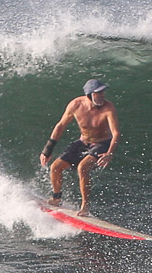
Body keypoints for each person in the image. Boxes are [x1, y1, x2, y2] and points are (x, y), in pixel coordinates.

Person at [40, 79, 120, 217]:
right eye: (97, 93)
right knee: (55, 167)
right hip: (83, 142)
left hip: (102, 144)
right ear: (89, 94)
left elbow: (116, 133)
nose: (102, 96)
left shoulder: (108, 107)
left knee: (82, 167)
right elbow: (60, 126)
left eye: (102, 92)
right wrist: (48, 150)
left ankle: (85, 206)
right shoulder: (76, 105)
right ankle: (56, 198)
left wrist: (109, 153)